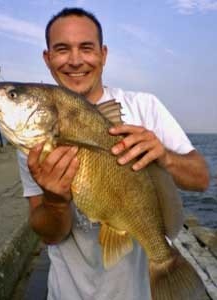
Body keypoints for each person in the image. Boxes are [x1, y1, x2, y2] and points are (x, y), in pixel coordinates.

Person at [17, 7, 210, 300]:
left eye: (86, 48)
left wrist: (165, 157)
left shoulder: (145, 107)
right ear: (47, 58)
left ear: (103, 54)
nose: (75, 60)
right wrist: (55, 202)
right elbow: (51, 235)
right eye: (61, 49)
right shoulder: (36, 138)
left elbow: (202, 179)